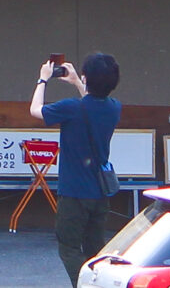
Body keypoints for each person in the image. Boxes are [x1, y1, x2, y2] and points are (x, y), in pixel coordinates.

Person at [32, 52, 123, 285]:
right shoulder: (114, 108)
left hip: (73, 193)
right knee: (95, 249)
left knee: (69, 247)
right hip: (100, 194)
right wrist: (77, 83)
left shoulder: (71, 108)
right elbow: (92, 103)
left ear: (86, 78)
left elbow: (36, 110)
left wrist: (43, 79)